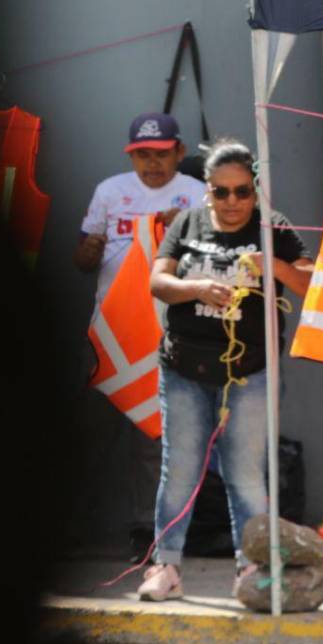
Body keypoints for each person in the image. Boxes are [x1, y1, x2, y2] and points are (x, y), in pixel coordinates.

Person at [138, 138, 312, 600]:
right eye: (221, 192)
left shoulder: (272, 227)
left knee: (246, 473)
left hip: (249, 371)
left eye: (241, 192)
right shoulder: (187, 222)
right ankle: (165, 568)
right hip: (183, 368)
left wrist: (271, 264)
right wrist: (196, 288)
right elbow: (158, 281)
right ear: (206, 192)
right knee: (179, 470)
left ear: (256, 192)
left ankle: (251, 570)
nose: (231, 202)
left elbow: (314, 283)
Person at [74, 112, 207, 559]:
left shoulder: (196, 195)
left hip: (166, 331)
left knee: (151, 435)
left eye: (162, 154)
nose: (152, 164)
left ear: (180, 153)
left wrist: (181, 228)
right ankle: (68, 527)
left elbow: (210, 259)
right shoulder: (110, 192)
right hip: (109, 331)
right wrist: (88, 251)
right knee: (93, 430)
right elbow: (82, 258)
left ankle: (145, 532)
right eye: (143, 156)